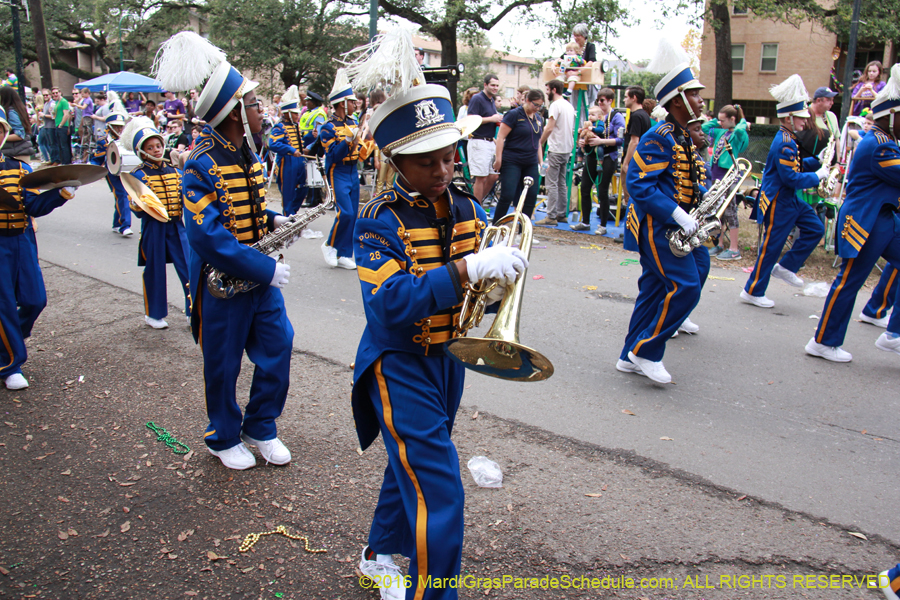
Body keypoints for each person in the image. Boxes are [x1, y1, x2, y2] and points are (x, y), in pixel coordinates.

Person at [347, 31, 528, 600]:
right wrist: (469, 270)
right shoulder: (378, 220)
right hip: (397, 361)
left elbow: (482, 296)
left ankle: (378, 553)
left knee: (413, 467)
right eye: (429, 161)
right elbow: (389, 304)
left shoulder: (471, 207)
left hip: (448, 358)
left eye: (450, 155)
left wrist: (498, 284)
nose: (444, 169)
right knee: (441, 486)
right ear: (399, 160)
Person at [154, 31, 296, 470]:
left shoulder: (247, 154)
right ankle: (223, 435)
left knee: (280, 345)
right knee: (223, 363)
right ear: (235, 111)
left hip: (258, 275)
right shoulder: (200, 162)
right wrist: (264, 267)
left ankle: (261, 426)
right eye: (254, 104)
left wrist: (274, 219)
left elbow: (248, 207)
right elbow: (207, 236)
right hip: (221, 283)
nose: (261, 111)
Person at [616, 63, 709, 383]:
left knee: (657, 288)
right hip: (659, 226)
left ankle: (628, 354)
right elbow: (640, 185)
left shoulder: (681, 135)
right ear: (678, 99)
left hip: (679, 226)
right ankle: (646, 350)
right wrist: (677, 214)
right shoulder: (659, 136)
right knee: (687, 287)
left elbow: (690, 181)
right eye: (695, 94)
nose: (700, 100)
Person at [805, 63, 900, 362]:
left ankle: (892, 333)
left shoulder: (886, 142)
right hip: (865, 221)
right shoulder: (880, 146)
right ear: (891, 115)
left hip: (883, 218)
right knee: (849, 281)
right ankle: (822, 341)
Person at [0, 106, 77, 390]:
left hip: (21, 240)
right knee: (4, 304)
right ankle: (11, 364)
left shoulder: (20, 168)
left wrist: (60, 194)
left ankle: (7, 341)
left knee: (35, 300)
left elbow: (32, 205)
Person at [740, 75, 828, 309]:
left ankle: (787, 266)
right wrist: (817, 176)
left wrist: (817, 162)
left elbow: (794, 166)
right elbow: (791, 177)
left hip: (788, 199)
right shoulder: (786, 141)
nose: (805, 120)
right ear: (789, 117)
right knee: (771, 248)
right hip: (779, 200)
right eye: (801, 116)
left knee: (815, 228)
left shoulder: (790, 139)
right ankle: (752, 290)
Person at [120, 116, 191, 329]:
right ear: (142, 151)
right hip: (154, 228)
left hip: (178, 227)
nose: (156, 150)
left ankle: (193, 310)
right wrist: (136, 204)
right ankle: (154, 314)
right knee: (155, 269)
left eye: (158, 145)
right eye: (150, 148)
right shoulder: (137, 175)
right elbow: (139, 210)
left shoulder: (175, 171)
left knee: (189, 268)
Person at [319, 70, 374, 270]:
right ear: (342, 103)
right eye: (352, 101)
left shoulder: (352, 122)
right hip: (338, 171)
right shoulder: (328, 128)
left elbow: (359, 151)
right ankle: (329, 245)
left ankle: (344, 253)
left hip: (352, 171)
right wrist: (348, 140)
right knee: (346, 213)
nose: (355, 104)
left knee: (353, 214)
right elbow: (333, 154)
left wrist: (369, 143)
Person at [702, 104, 749, 260]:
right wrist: (716, 120)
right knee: (719, 210)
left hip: (728, 175)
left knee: (730, 211)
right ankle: (719, 244)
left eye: (723, 120)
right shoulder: (721, 131)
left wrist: (742, 121)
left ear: (732, 119)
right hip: (716, 174)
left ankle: (734, 248)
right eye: (719, 120)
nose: (720, 123)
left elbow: (742, 132)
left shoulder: (737, 133)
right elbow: (703, 128)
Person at [492, 89, 544, 224]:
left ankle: (523, 231)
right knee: (507, 195)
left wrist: (541, 161)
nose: (537, 108)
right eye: (535, 105)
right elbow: (501, 137)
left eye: (540, 106)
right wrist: (498, 159)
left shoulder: (538, 118)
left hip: (530, 161)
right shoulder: (514, 114)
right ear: (527, 100)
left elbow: (538, 141)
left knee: (531, 196)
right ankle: (496, 226)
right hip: (512, 159)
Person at [580, 88, 624, 234]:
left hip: (607, 157)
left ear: (610, 101)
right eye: (598, 100)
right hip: (591, 156)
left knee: (602, 191)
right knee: (585, 187)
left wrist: (601, 141)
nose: (600, 102)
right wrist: (583, 142)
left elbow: (620, 140)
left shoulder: (616, 117)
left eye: (602, 100)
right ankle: (585, 221)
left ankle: (603, 225)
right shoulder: (593, 118)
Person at [89, 104, 134, 237]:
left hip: (124, 171)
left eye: (121, 126)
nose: (119, 129)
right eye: (116, 126)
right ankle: (125, 226)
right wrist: (90, 171)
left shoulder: (126, 140)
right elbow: (97, 159)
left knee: (121, 196)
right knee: (122, 195)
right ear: (109, 127)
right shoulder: (103, 142)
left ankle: (117, 223)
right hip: (111, 172)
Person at [536, 79, 575, 226]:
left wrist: (540, 141)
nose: (546, 93)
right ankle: (561, 213)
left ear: (553, 90)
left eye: (547, 90)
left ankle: (551, 216)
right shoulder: (568, 105)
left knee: (551, 183)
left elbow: (550, 127)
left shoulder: (555, 105)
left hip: (556, 147)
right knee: (561, 182)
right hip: (566, 148)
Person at [269, 85, 307, 216]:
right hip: (287, 163)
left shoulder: (295, 126)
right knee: (288, 193)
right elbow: (273, 144)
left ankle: (293, 213)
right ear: (288, 113)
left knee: (303, 188)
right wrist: (290, 150)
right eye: (296, 113)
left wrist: (309, 138)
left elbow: (300, 143)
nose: (298, 115)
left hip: (299, 162)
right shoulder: (279, 127)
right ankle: (288, 217)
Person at [465, 74, 503, 203]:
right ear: (485, 85)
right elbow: (470, 119)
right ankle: (476, 208)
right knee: (480, 177)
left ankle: (478, 202)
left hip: (490, 141)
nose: (495, 88)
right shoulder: (477, 99)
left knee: (493, 176)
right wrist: (491, 119)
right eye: (492, 85)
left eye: (497, 85)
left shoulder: (491, 100)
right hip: (478, 141)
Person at [620, 86, 651, 203]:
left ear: (634, 98)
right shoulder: (644, 115)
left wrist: (626, 162)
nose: (624, 100)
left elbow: (634, 141)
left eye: (626, 97)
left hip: (634, 161)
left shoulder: (636, 116)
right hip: (640, 160)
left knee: (629, 196)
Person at [297, 91, 327, 207]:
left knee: (314, 171)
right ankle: (310, 197)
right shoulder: (308, 112)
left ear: (314, 102)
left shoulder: (319, 114)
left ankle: (315, 199)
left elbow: (318, 133)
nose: (306, 102)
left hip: (314, 146)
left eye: (309, 100)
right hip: (306, 143)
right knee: (309, 172)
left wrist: (309, 147)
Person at [0, 86, 34, 159]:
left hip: (17, 153)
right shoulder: (18, 109)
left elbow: (19, 135)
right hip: (19, 151)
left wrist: (3, 137)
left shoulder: (11, 112)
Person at [571, 23, 598, 105]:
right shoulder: (573, 47)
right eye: (574, 35)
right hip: (575, 81)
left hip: (586, 81)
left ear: (584, 36)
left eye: (578, 35)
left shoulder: (590, 46)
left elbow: (591, 61)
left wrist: (579, 71)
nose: (575, 38)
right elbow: (562, 58)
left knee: (587, 104)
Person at [38, 89, 55, 164]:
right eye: (43, 95)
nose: (45, 96)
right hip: (46, 126)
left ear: (50, 95)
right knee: (48, 143)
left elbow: (53, 116)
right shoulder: (45, 104)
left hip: (51, 126)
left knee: (52, 144)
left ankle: (53, 159)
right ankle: (51, 159)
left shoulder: (52, 104)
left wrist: (44, 115)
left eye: (46, 95)